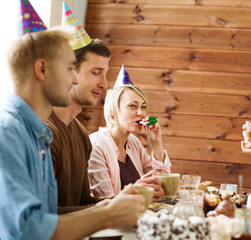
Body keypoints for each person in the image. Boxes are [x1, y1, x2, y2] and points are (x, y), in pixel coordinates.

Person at [0, 26, 144, 240]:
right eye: (69, 68)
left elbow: (49, 215)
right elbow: (29, 229)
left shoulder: (38, 133)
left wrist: (111, 206)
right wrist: (108, 214)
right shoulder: (8, 132)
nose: (74, 80)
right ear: (42, 69)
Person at [45, 4, 111, 213]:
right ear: (69, 71)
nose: (104, 84)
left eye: (105, 73)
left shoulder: (82, 135)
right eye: (95, 72)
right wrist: (111, 210)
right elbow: (45, 216)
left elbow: (82, 200)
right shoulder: (42, 131)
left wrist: (124, 202)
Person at [88, 76, 171, 201]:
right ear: (113, 111)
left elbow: (164, 186)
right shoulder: (96, 145)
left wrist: (156, 144)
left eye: (143, 107)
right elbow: (105, 203)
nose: (141, 113)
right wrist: (137, 191)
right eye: (132, 106)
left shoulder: (133, 142)